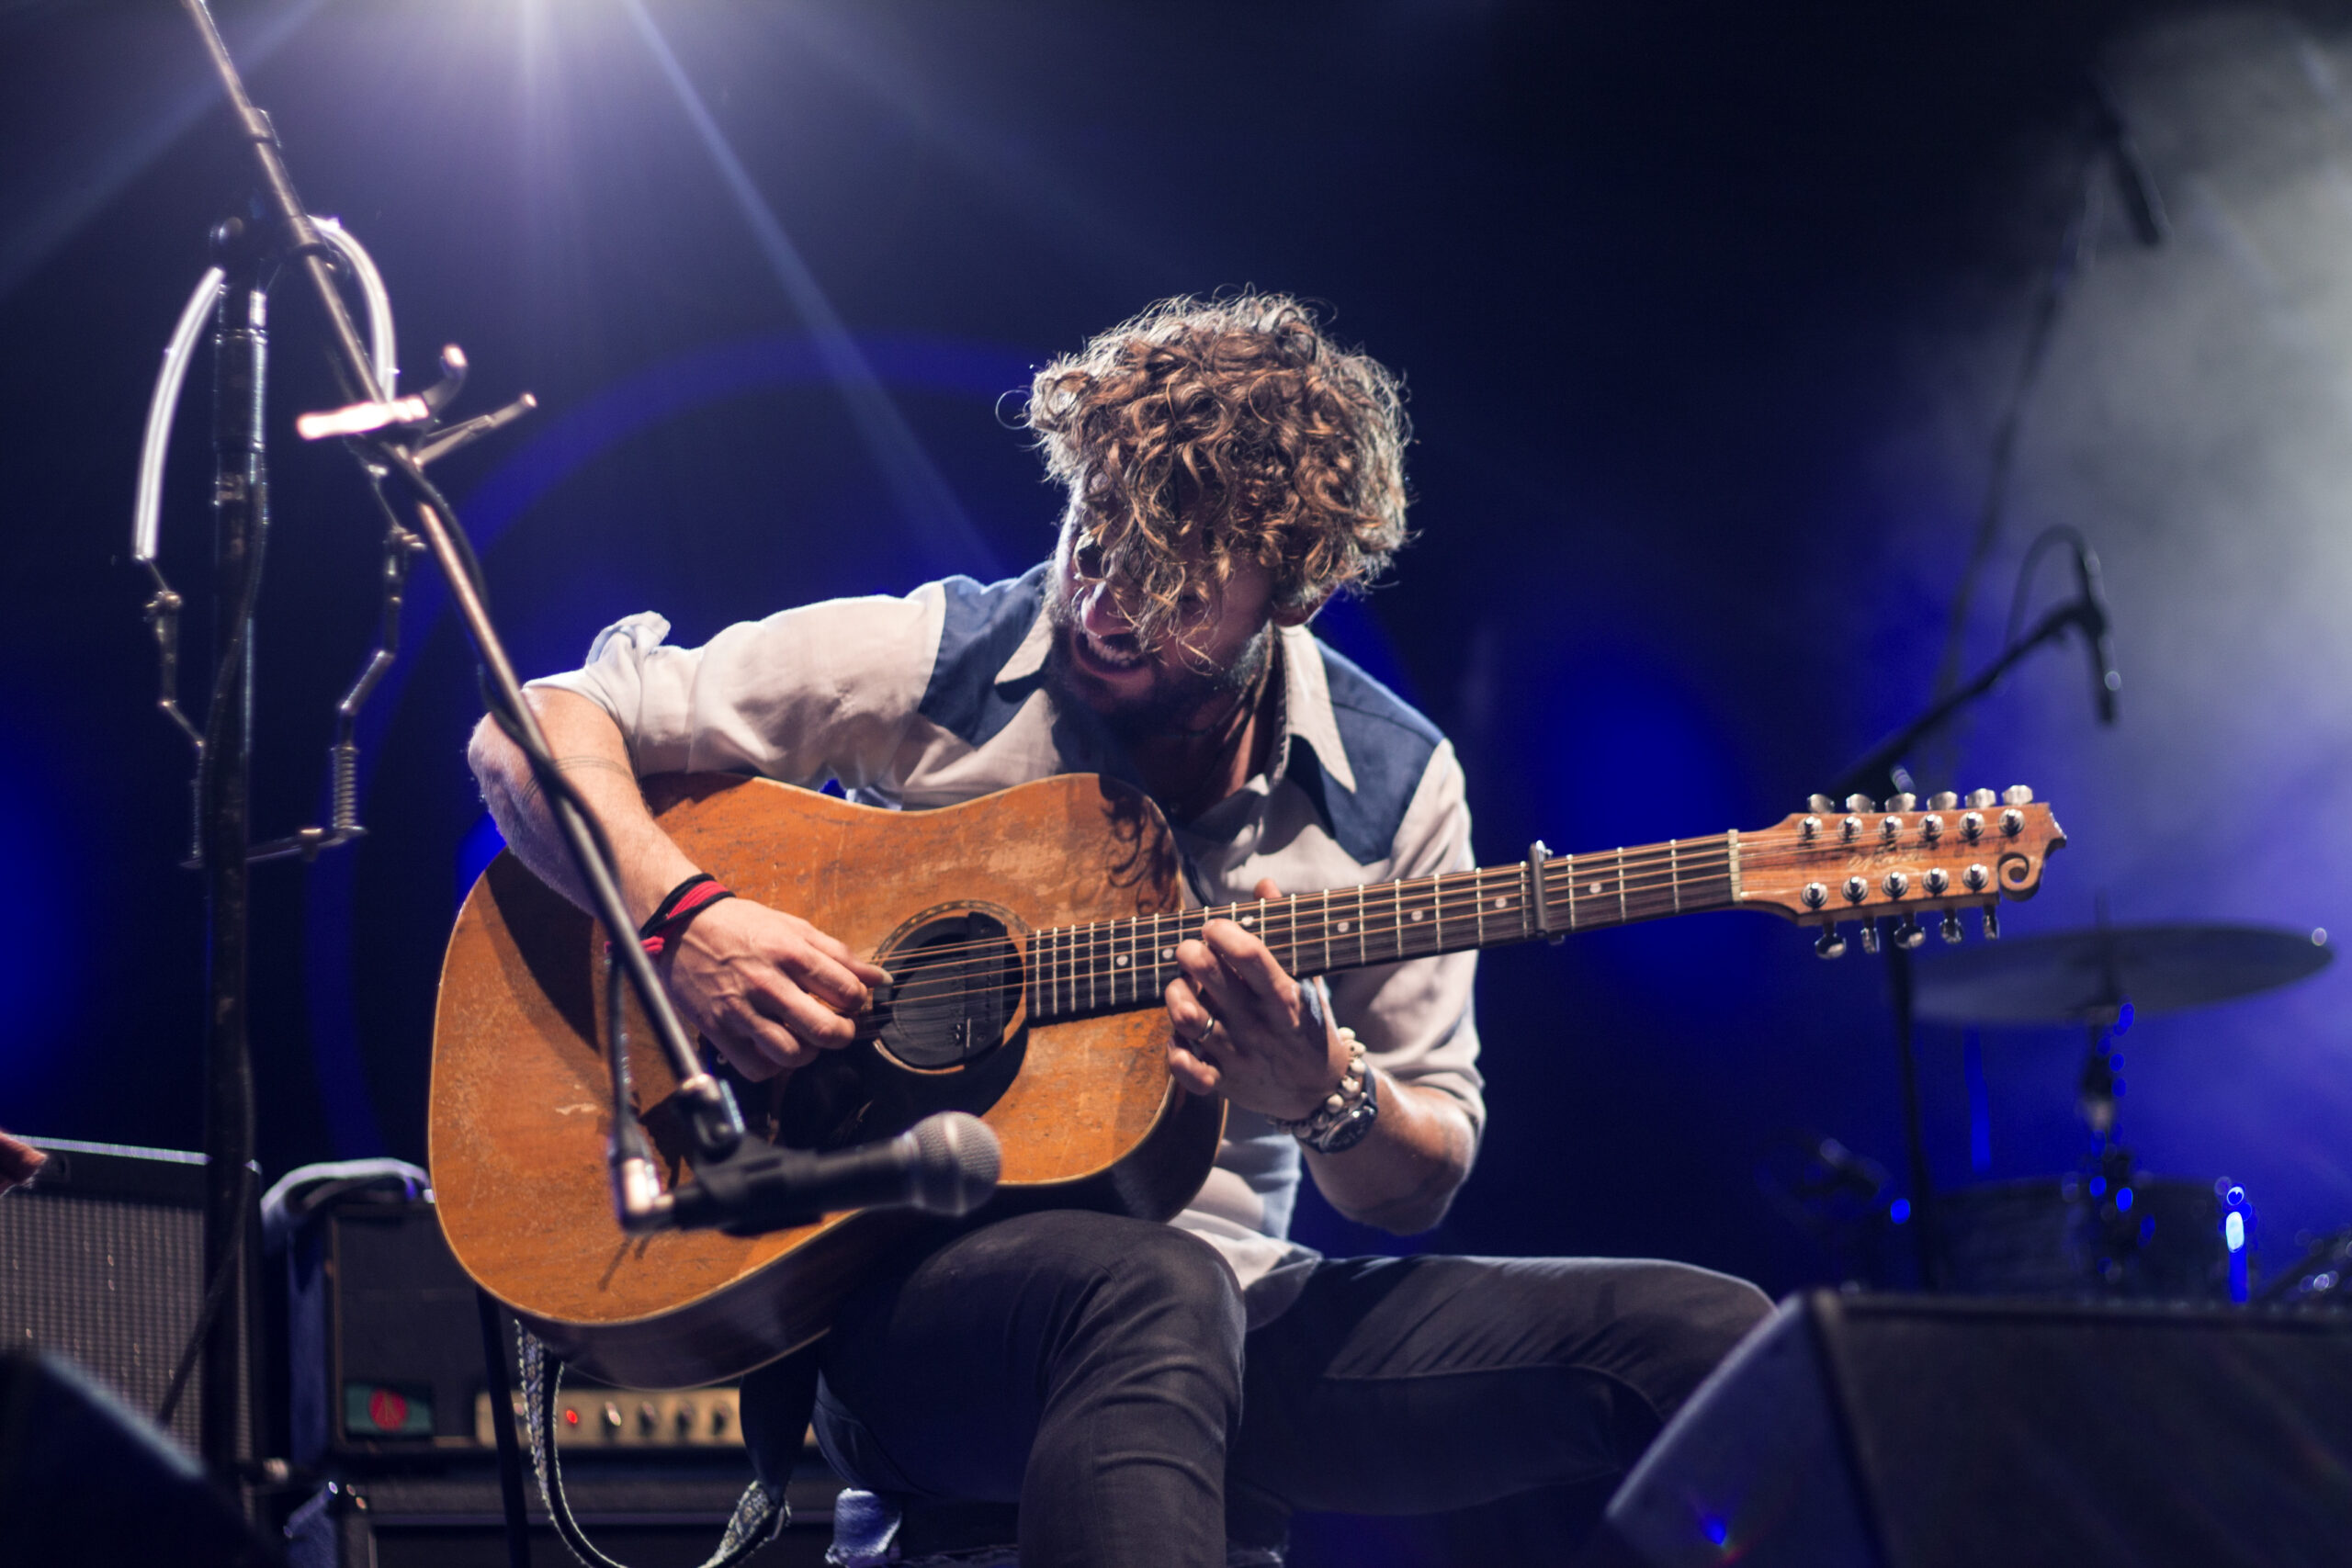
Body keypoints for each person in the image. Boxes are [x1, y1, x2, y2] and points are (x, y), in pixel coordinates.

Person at [469, 293, 1770, 1565]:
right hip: (908, 1325)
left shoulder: (1397, 783)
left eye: (1170, 591)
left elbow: (1423, 1174)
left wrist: (1324, 1097)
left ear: (1294, 597)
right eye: (1094, 546)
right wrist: (686, 918)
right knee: (1153, 1289)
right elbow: (533, 727)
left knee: (1708, 1333)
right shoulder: (946, 657)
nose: (1100, 608)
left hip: (1235, 1317)